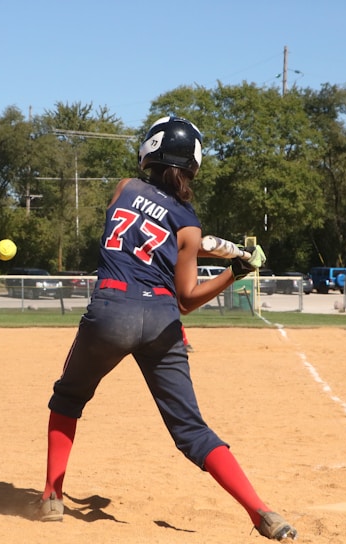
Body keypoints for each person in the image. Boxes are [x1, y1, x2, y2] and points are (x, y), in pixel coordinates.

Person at [35, 116, 297, 540]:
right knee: (191, 429)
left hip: (111, 310)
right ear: (194, 165)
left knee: (67, 399)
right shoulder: (189, 225)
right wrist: (237, 270)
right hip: (161, 320)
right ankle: (261, 512)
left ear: (149, 153)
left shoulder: (124, 188)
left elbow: (139, 235)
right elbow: (187, 298)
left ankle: (51, 496)